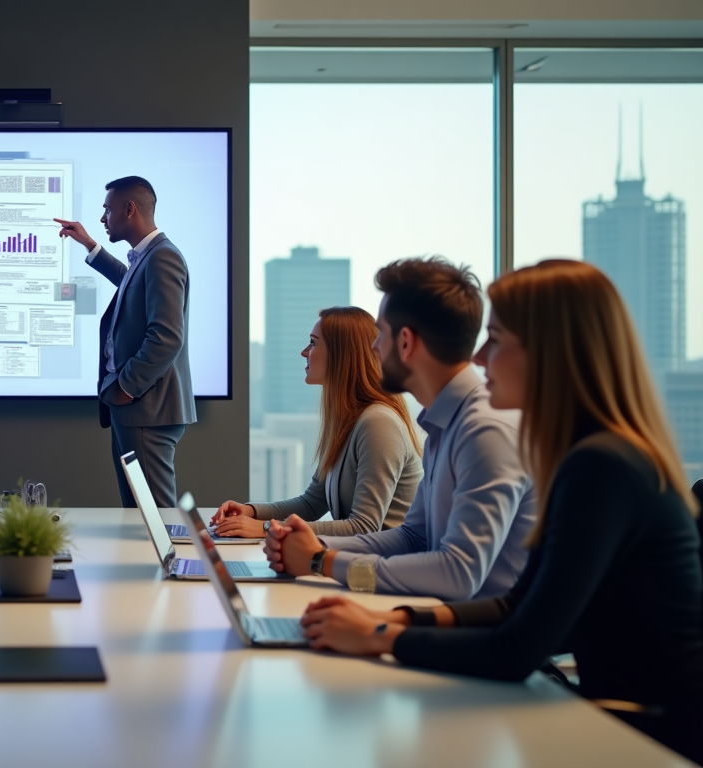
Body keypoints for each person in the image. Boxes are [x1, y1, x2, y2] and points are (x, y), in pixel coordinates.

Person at [299, 260, 703, 763]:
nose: (482, 357)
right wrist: (397, 619)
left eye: (497, 339)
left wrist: (381, 634)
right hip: (613, 715)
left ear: (551, 355)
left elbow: (516, 646)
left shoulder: (602, 467)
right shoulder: (586, 455)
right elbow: (516, 606)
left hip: (646, 737)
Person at [264, 257, 537, 600]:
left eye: (381, 334)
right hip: (446, 618)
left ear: (405, 342)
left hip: (486, 640)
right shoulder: (446, 423)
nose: (374, 348)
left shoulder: (485, 429)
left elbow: (458, 574)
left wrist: (322, 560)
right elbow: (413, 538)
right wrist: (308, 544)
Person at [210, 307, 422, 537]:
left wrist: (267, 529)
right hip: (358, 562)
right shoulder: (347, 420)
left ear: (342, 354)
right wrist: (252, 512)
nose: (304, 352)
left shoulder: (378, 423)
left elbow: (363, 527)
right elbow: (312, 503)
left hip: (380, 569)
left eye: (313, 343)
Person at [54, 176, 196, 508]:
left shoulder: (163, 257)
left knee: (155, 518)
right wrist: (91, 245)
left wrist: (126, 387)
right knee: (139, 515)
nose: (103, 219)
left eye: (107, 210)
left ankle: (170, 565)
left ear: (129, 209)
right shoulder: (148, 257)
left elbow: (167, 337)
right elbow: (131, 282)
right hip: (135, 408)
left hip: (144, 408)